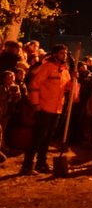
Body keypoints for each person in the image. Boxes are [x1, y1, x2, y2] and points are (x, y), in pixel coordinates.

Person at [20, 45, 75, 175]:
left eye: (65, 53)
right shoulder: (46, 67)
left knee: (47, 138)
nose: (64, 55)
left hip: (57, 109)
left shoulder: (64, 70)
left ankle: (41, 163)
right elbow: (34, 84)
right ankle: (27, 165)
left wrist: (73, 79)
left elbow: (67, 88)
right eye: (62, 53)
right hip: (44, 107)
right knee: (37, 137)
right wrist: (35, 103)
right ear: (55, 54)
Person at [0, 70, 21, 162]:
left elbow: (15, 100)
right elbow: (3, 98)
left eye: (12, 77)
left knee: (4, 129)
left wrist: (16, 94)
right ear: (5, 79)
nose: (11, 79)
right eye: (9, 77)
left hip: (8, 111)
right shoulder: (2, 87)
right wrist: (9, 93)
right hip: (2, 111)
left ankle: (3, 145)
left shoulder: (14, 87)